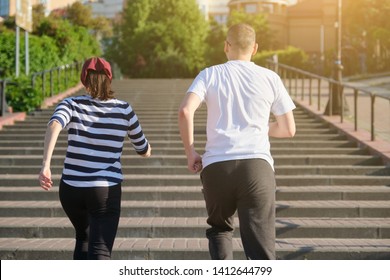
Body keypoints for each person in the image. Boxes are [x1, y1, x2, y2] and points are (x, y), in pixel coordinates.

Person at [178, 23, 296, 260]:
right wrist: (260, 127)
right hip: (256, 167)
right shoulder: (270, 77)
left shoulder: (210, 74)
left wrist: (191, 152)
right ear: (255, 48)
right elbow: (288, 129)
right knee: (261, 245)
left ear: (226, 46)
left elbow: (185, 111)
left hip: (217, 167)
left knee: (220, 230)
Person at [38, 57, 151, 260]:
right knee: (100, 249)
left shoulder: (71, 104)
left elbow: (54, 124)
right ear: (109, 79)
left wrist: (46, 165)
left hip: (71, 188)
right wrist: (147, 150)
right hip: (104, 190)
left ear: (84, 79)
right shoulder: (123, 109)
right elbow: (142, 149)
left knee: (84, 236)